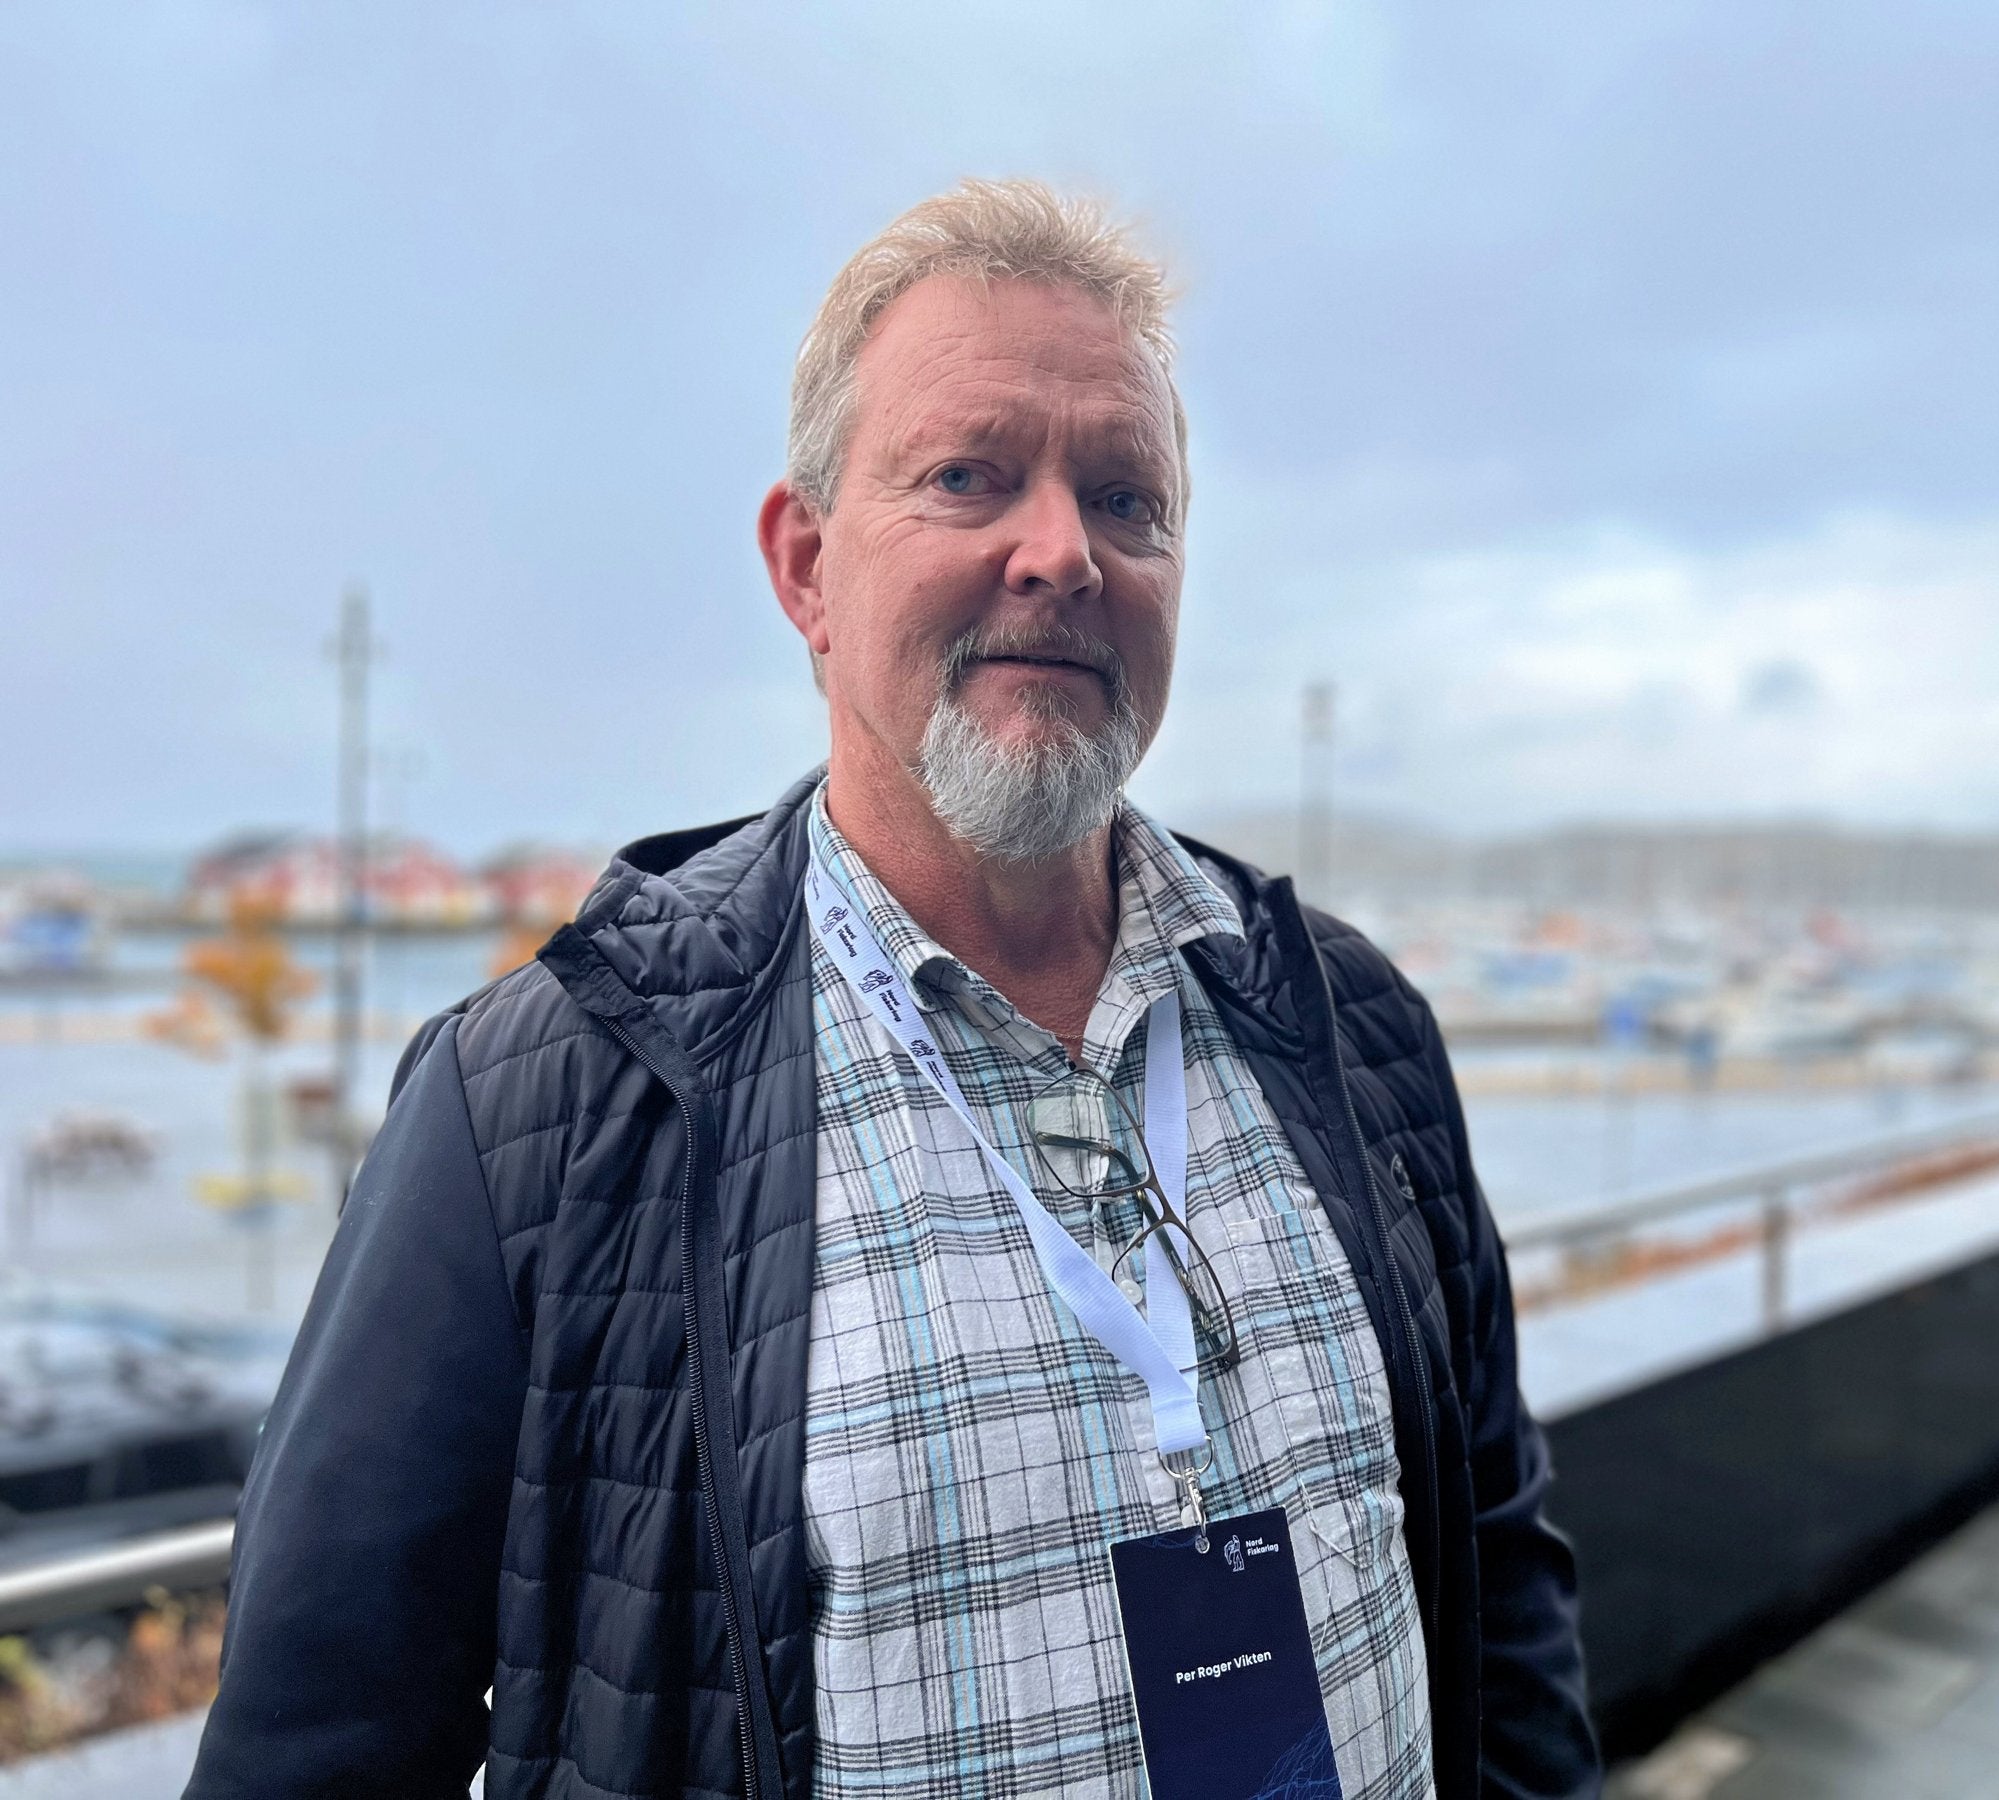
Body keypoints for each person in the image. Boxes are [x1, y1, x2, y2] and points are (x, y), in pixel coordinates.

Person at [185, 179, 1599, 1800]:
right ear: (807, 568)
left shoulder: (1347, 1025)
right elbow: (317, 1750)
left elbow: (1498, 1582)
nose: (1062, 552)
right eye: (967, 476)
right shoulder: (538, 1114)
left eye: (1126, 499)